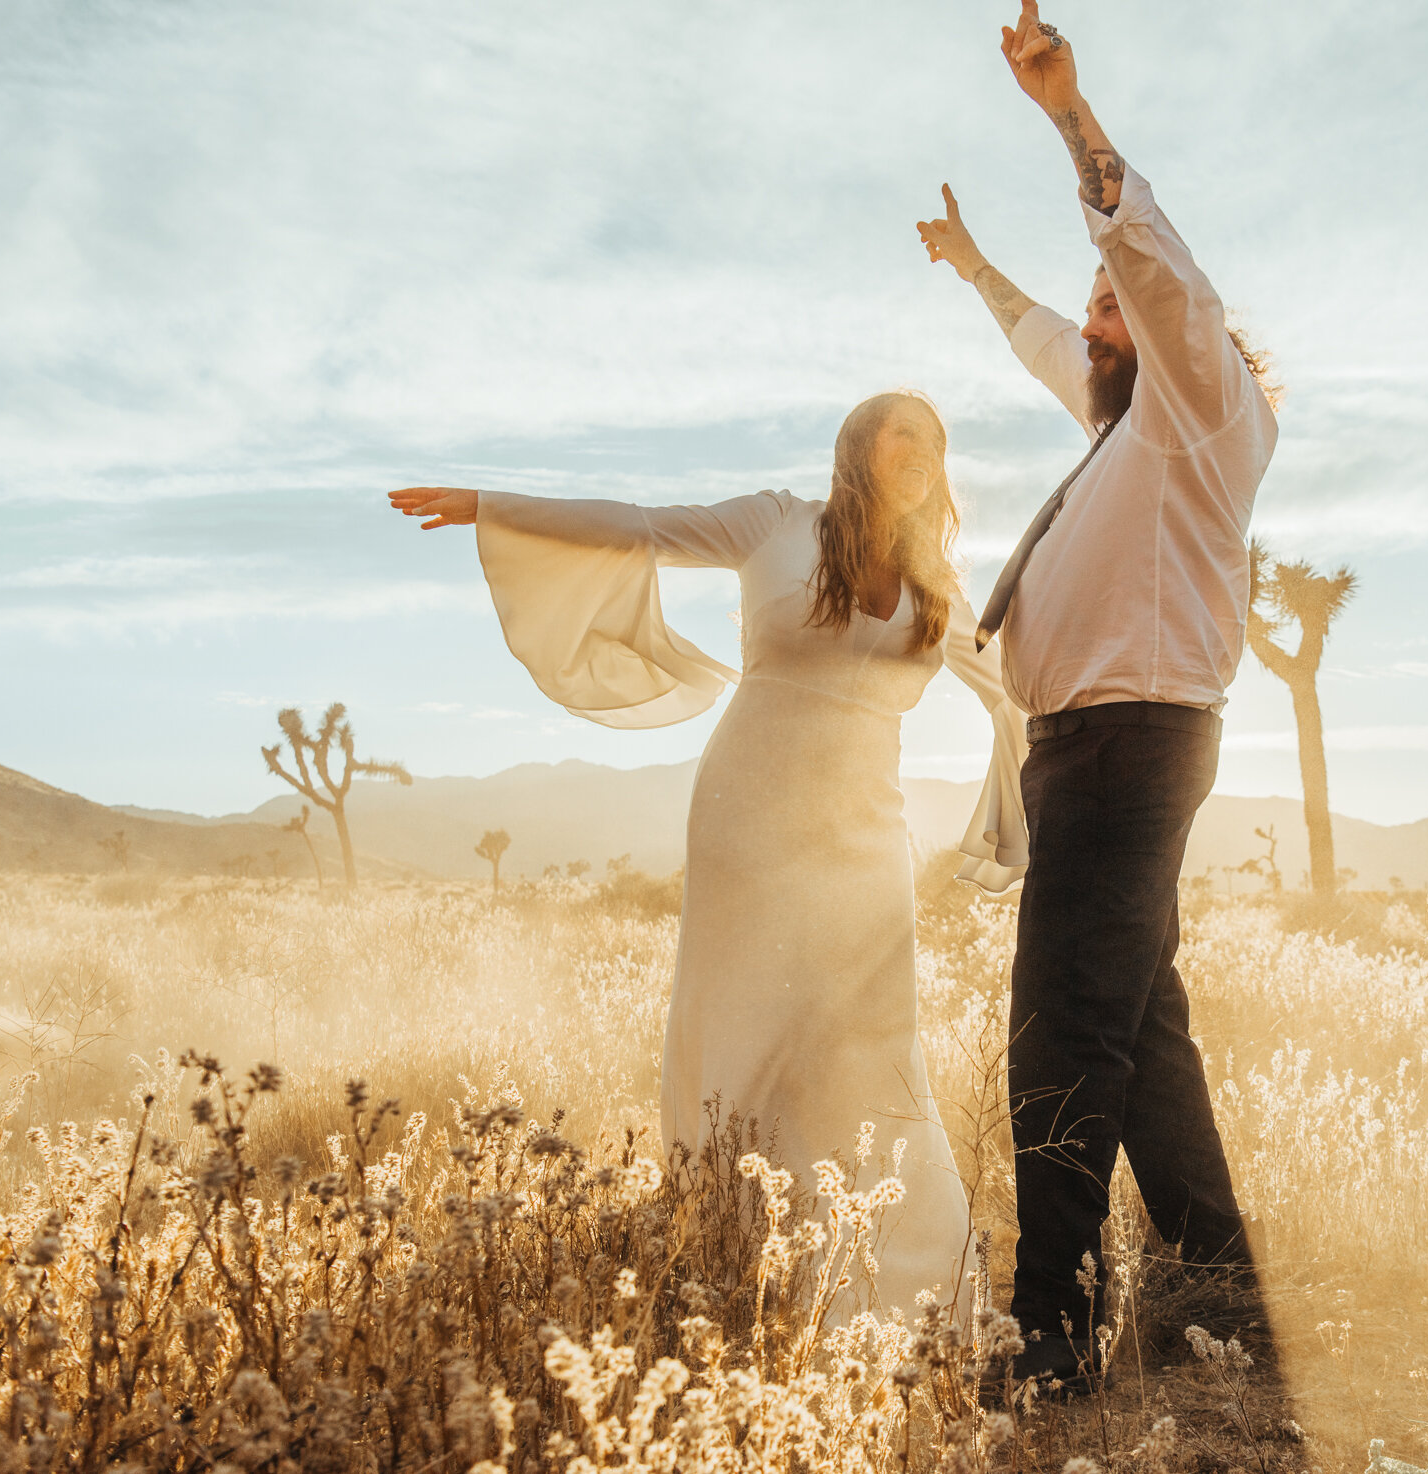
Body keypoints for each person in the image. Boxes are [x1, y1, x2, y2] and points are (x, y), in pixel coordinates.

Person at [387, 391, 1028, 1321]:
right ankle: (733, 1251)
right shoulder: (773, 524)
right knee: (745, 1025)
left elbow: (1016, 682)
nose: (926, 444)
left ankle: (903, 1278)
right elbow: (639, 527)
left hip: (865, 832)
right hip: (751, 815)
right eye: (906, 428)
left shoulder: (937, 582)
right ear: (859, 447)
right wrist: (492, 505)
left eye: (938, 434)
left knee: (874, 1041)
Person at [916, 0, 1278, 1391]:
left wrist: (1071, 118)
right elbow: (1040, 339)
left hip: (1132, 747)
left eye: (1110, 306)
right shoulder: (1131, 425)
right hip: (1082, 753)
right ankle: (1219, 1282)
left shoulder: (1204, 411)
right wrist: (973, 270)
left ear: (1189, 340)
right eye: (1095, 313)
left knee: (1060, 1022)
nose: (1096, 318)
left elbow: (1162, 275)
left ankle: (1054, 1337)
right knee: (1141, 1032)